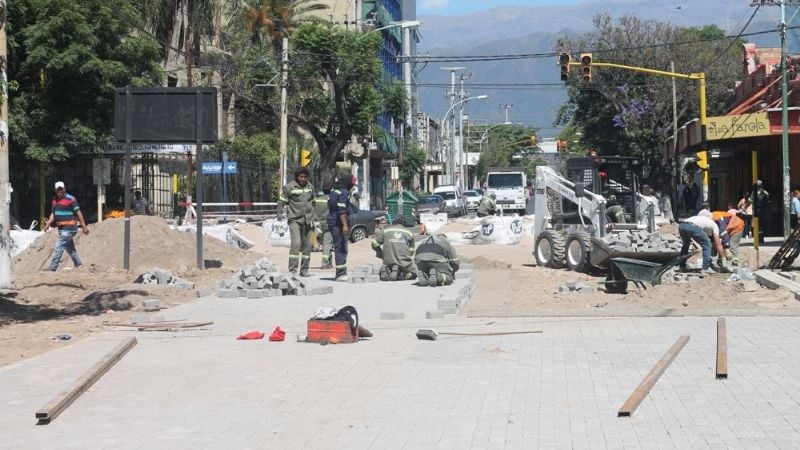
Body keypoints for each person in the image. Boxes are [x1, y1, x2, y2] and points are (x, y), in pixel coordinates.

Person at [277, 168, 316, 276]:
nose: (303, 179)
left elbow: (313, 202)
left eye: (305, 177)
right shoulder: (289, 187)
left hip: (308, 220)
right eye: (301, 177)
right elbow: (281, 202)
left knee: (308, 245)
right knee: (296, 244)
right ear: (297, 177)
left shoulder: (310, 187)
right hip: (294, 219)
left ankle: (304, 270)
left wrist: (314, 218)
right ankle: (293, 271)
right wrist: (279, 216)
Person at [44, 181, 90, 271]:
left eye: (61, 189)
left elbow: (78, 212)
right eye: (58, 189)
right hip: (61, 229)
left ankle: (53, 268)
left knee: (59, 246)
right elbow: (53, 213)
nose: (59, 191)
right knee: (70, 249)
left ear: (64, 189)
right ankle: (78, 265)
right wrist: (48, 223)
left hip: (70, 228)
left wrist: (84, 226)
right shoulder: (54, 200)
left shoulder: (71, 199)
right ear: (55, 190)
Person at [678, 209, 727, 274]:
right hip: (692, 227)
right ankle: (705, 268)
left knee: (685, 245)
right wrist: (723, 257)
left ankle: (682, 266)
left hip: (682, 225)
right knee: (707, 245)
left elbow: (700, 235)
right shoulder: (713, 224)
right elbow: (718, 244)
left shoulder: (699, 219)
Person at [328, 173, 355, 282]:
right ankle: (340, 274)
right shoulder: (344, 192)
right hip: (338, 223)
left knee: (339, 247)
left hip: (333, 222)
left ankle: (341, 272)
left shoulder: (334, 191)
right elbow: (341, 210)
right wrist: (344, 225)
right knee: (341, 248)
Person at [371, 216, 416, 281]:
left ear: (394, 223)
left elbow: (374, 244)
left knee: (389, 263)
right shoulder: (409, 232)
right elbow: (412, 251)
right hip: (403, 261)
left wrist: (380, 253)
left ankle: (387, 269)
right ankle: (401, 274)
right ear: (404, 224)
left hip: (388, 259)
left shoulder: (386, 230)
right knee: (414, 273)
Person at [314, 188, 333, 269]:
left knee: (324, 243)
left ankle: (329, 262)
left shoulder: (315, 200)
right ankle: (325, 263)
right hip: (327, 224)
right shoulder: (329, 199)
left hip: (318, 225)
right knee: (327, 244)